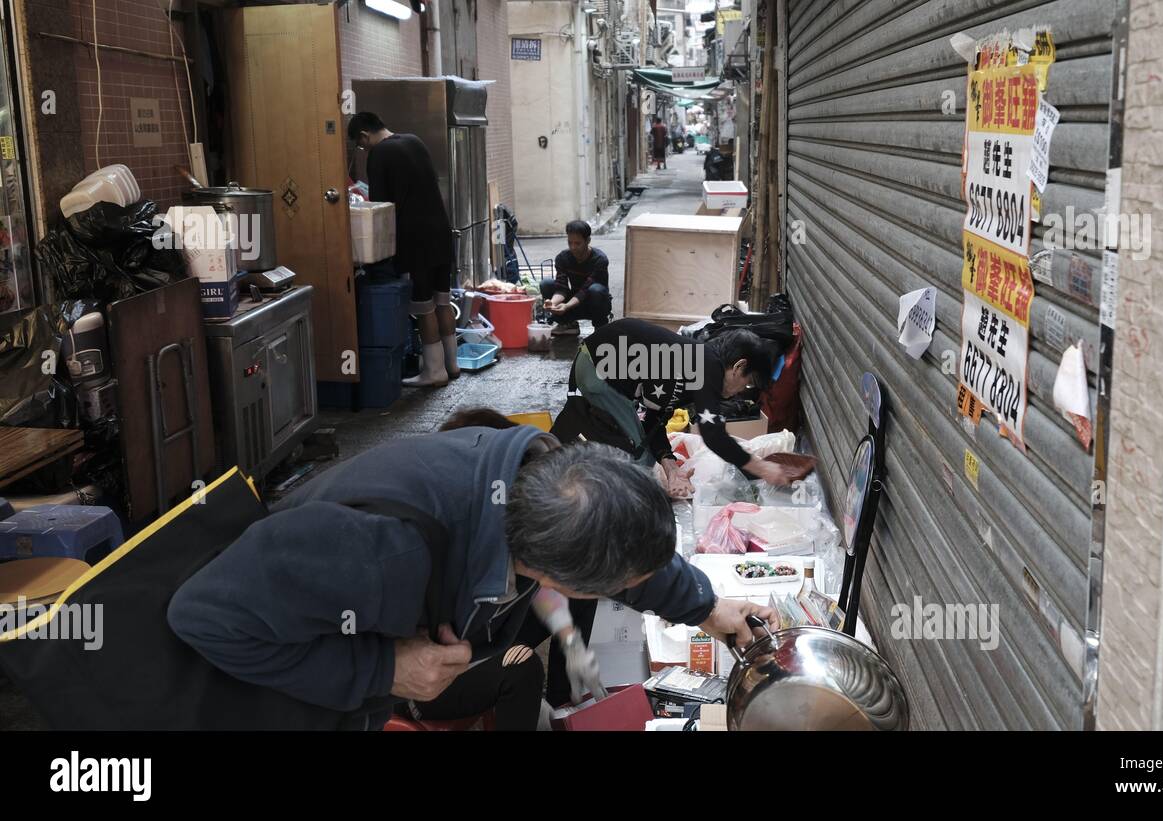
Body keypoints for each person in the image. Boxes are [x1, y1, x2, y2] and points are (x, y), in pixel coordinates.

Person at [167, 424, 775, 731]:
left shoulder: (541, 484)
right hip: (257, 691)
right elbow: (202, 617)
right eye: (619, 584)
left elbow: (617, 544)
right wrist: (383, 669)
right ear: (562, 581)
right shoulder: (381, 552)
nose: (631, 587)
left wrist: (705, 607)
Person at [390, 408, 602, 730]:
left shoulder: (490, 515)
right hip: (421, 677)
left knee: (571, 594)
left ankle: (564, 710)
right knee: (522, 667)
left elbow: (536, 580)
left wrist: (570, 639)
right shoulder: (435, 526)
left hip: (472, 640)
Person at [553, 318, 804, 500]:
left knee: (638, 452)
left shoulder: (692, 369)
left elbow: (653, 420)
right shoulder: (708, 364)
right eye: (746, 382)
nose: (740, 391)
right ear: (738, 366)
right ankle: (632, 521)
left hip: (594, 368)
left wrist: (672, 468)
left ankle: (551, 460)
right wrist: (763, 468)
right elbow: (713, 435)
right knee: (636, 458)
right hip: (598, 368)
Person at [348, 112, 459, 388]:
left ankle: (435, 372)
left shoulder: (380, 155)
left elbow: (380, 207)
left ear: (364, 135)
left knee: (424, 306)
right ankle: (452, 365)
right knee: (443, 300)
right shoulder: (414, 140)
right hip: (441, 230)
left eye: (361, 145)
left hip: (416, 236)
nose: (364, 150)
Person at [541, 220, 612, 336]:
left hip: (594, 302)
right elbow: (561, 288)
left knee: (596, 290)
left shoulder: (600, 260)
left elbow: (585, 290)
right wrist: (552, 303)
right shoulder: (562, 258)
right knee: (546, 284)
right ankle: (567, 324)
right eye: (570, 243)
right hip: (574, 301)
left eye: (577, 243)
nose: (573, 247)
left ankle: (600, 328)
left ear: (588, 241)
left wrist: (567, 306)